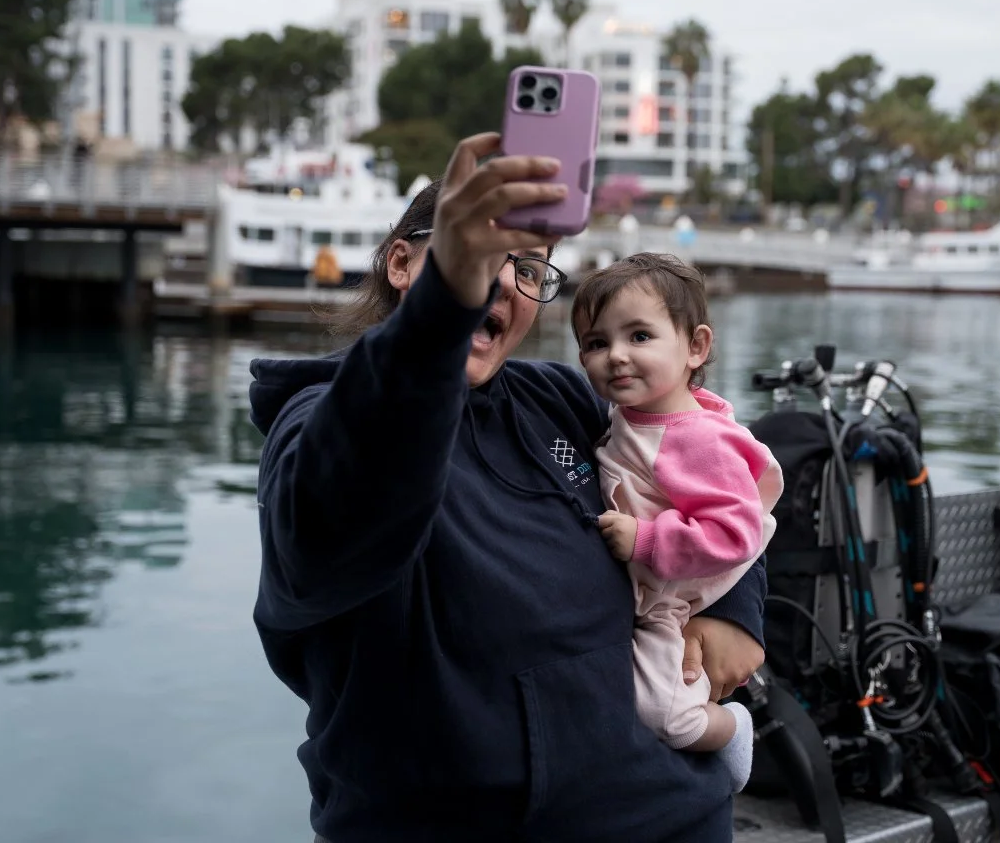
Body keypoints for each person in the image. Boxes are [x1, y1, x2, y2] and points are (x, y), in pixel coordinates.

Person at [247, 133, 768, 843]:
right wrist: (442, 307)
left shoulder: (558, 398)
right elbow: (339, 516)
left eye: (528, 266)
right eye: (478, 253)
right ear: (404, 264)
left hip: (665, 813)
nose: (501, 281)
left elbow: (706, 466)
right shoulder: (322, 427)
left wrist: (732, 606)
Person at [570, 254, 780, 794]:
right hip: (652, 595)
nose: (615, 356)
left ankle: (733, 733)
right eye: (596, 343)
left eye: (640, 336)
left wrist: (646, 539)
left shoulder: (694, 439)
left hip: (673, 599)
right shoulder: (631, 416)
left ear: (696, 347)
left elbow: (737, 533)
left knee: (666, 715)